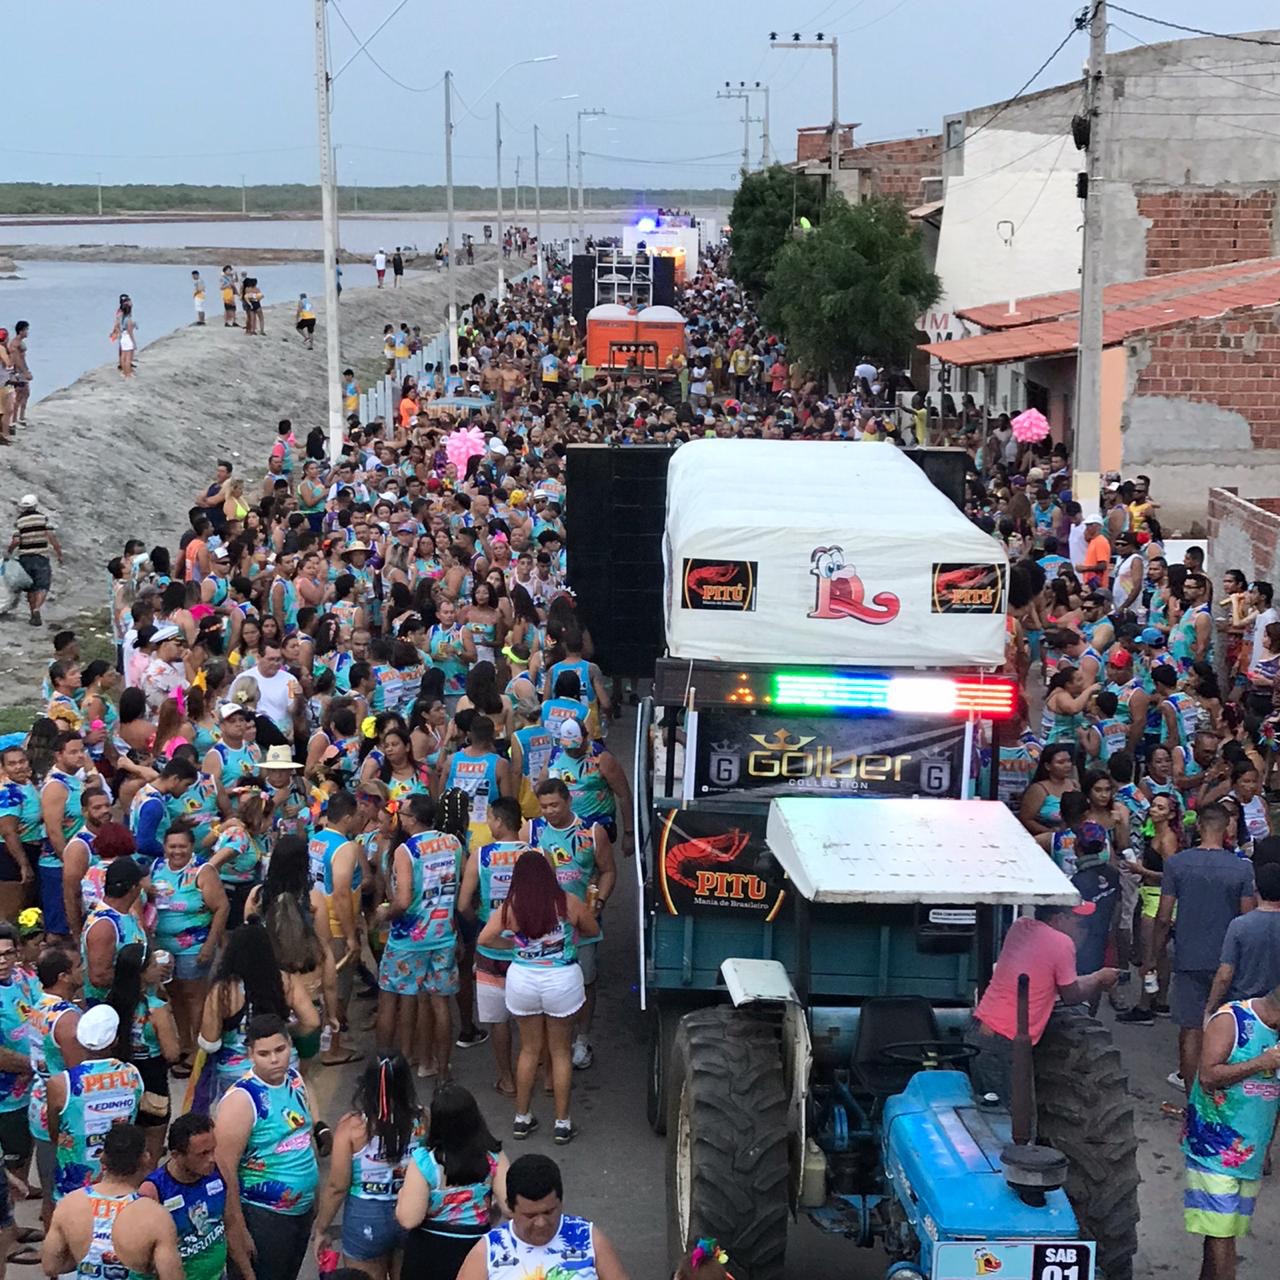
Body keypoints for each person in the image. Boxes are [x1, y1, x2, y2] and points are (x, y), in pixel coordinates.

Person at [478, 850, 599, 1144]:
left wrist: (515, 948)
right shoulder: (567, 902)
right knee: (560, 1052)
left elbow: (483, 939)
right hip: (562, 981)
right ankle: (562, 1122)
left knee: (529, 1050)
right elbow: (593, 930)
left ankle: (522, 1117)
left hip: (523, 980)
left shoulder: (511, 907)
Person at [966, 904, 1120, 1112]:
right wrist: (1098, 979)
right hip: (1007, 1041)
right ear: (1058, 919)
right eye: (1078, 920)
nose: (1082, 927)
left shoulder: (1020, 926)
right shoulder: (1061, 943)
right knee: (1013, 1120)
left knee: (995, 1112)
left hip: (980, 1030)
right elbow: (1071, 994)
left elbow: (1050, 979)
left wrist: (1093, 978)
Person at [1150, 804, 1257, 1094]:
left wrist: (1153, 955)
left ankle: (1192, 1099)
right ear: (1226, 830)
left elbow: (1163, 916)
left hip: (1189, 956)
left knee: (1190, 1028)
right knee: (1227, 1026)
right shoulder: (1241, 869)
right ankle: (1219, 1094)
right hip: (1229, 961)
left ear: (1198, 826)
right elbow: (1247, 918)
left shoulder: (1177, 864)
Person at [1182, 986, 1280, 1280]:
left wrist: (1267, 1148)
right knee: (1223, 1236)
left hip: (1250, 1152)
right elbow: (1209, 1075)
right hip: (1214, 1146)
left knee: (1222, 1228)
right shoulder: (1232, 1019)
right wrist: (1261, 1063)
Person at [214, 1013, 319, 1280]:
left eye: (280, 1050)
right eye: (264, 1053)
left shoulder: (295, 1079)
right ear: (250, 1054)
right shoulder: (241, 1100)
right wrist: (237, 1228)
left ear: (290, 1046)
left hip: (302, 1210)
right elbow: (225, 1169)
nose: (274, 1059)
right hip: (264, 1215)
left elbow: (305, 1140)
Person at [375, 794, 464, 1082]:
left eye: (402, 813)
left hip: (408, 939)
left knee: (390, 998)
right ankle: (442, 1069)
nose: (398, 816)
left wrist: (384, 914)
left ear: (412, 819)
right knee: (441, 1004)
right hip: (443, 935)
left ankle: (384, 1069)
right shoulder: (454, 844)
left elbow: (402, 901)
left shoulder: (406, 851)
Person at [526, 778, 612, 1071]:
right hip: (542, 925)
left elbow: (608, 871)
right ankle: (546, 1046)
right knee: (543, 986)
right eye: (544, 806)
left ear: (568, 801)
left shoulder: (591, 832)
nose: (549, 811)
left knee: (586, 981)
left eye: (554, 805)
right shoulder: (532, 830)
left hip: (581, 924)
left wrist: (598, 902)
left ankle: (582, 1040)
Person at [314, 1054, 426, 1280]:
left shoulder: (352, 1128)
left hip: (366, 1218)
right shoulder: (423, 1119)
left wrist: (321, 1228)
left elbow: (337, 1186)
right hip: (412, 1210)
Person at [395, 1083, 508, 1280]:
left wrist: (402, 1196)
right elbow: (512, 1205)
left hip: (429, 1256)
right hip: (476, 1249)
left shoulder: (425, 1161)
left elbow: (409, 1218)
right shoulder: (493, 1157)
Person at [42, 1124, 183, 1280]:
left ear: (102, 1158)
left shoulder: (70, 1204)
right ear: (145, 1158)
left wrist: (86, 1260)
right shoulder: (156, 1217)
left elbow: (50, 1266)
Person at [455, 1153, 628, 1280]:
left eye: (548, 1212)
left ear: (560, 1202)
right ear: (510, 1208)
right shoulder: (488, 1251)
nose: (541, 1223)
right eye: (530, 1215)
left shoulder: (589, 1238)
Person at [141, 1111, 255, 1280]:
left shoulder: (218, 1170)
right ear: (176, 1155)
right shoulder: (153, 1191)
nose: (211, 1159)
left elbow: (230, 1224)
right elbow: (146, 1261)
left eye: (213, 1150)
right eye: (202, 1154)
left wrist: (249, 1274)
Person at [47, 1004, 144, 1200]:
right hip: (121, 1177)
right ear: (115, 1040)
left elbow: (53, 1132)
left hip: (74, 1180)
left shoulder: (61, 1083)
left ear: (80, 1041)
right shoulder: (133, 1074)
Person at [105, 943, 180, 1165]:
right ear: (142, 973)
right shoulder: (157, 1009)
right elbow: (172, 1053)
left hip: (122, 1077)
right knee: (153, 1145)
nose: (160, 968)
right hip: (152, 1078)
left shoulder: (112, 1000)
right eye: (154, 965)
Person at [1207, 861, 1280, 1009]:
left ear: (1255, 888)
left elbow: (1225, 974)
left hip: (1244, 1005)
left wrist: (1211, 1008)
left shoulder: (1240, 925)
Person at [81, 857, 148, 1002]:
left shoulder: (128, 913)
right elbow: (99, 976)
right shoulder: (104, 926)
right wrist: (142, 977)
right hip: (112, 1009)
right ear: (133, 888)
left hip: (132, 1004)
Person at [8, 493, 63, 627]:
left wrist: (9, 551)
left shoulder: (19, 522)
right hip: (41, 556)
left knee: (30, 587)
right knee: (43, 585)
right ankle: (37, 609)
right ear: (36, 505)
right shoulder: (43, 519)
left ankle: (33, 613)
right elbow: (51, 536)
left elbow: (16, 541)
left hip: (24, 558)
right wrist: (59, 553)